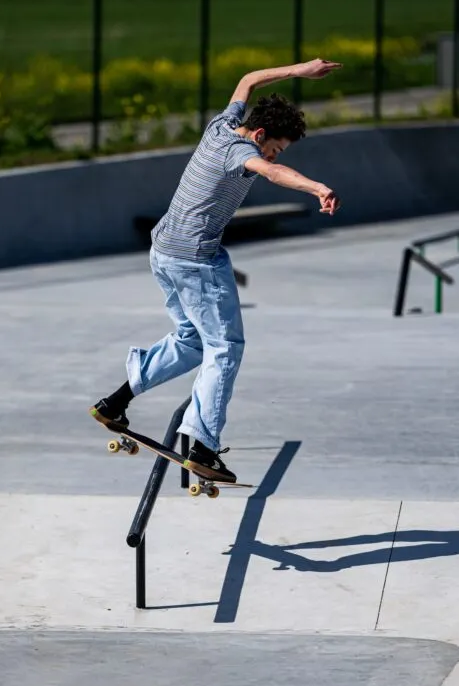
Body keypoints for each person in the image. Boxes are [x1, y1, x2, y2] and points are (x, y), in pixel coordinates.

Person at [91, 58, 342, 481]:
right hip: (194, 260)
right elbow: (273, 172)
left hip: (163, 251)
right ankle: (203, 447)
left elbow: (248, 79)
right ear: (260, 136)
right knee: (225, 348)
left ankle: (114, 402)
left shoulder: (222, 125)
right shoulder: (240, 152)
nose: (273, 155)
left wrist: (301, 71)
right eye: (274, 146)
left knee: (192, 341)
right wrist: (317, 187)